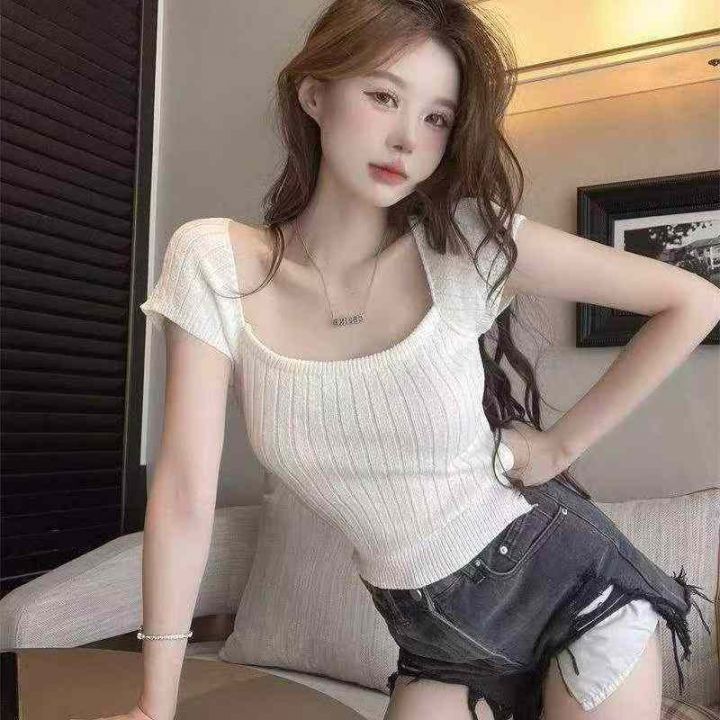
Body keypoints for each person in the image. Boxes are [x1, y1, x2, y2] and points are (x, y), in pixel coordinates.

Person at [85, 2, 719, 719]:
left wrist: (559, 445)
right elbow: (183, 494)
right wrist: (155, 704)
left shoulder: (466, 244)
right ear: (315, 94)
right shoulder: (213, 262)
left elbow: (694, 302)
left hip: (571, 591)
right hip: (433, 636)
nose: (406, 139)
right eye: (384, 97)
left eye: (436, 118)